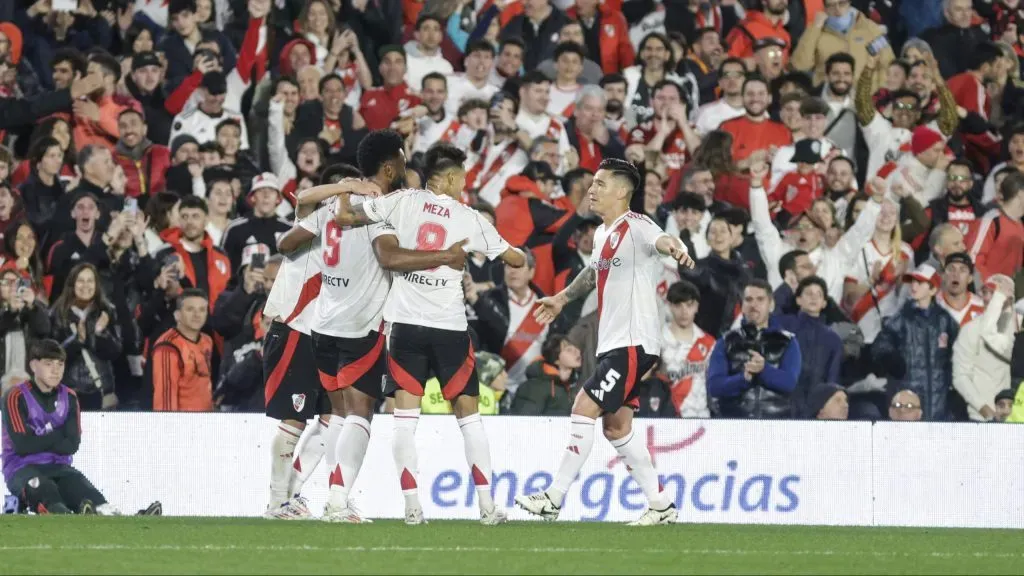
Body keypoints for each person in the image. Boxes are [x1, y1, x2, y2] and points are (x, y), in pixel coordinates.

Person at [327, 135, 527, 526]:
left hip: (405, 328)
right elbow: (517, 259)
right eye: (462, 179)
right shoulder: (469, 217)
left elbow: (344, 217)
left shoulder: (402, 201)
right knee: (469, 418)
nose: (464, 186)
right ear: (449, 180)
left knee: (405, 421)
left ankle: (412, 508)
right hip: (450, 329)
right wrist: (486, 246)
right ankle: (487, 507)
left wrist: (350, 189)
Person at [278, 150, 466, 523]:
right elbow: (389, 257)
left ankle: (289, 494)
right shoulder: (382, 207)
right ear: (389, 168)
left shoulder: (334, 204)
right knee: (360, 414)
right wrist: (443, 257)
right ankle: (337, 500)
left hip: (322, 324)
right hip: (362, 326)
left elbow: (286, 243)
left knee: (334, 415)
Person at [514, 158, 695, 526]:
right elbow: (592, 270)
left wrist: (675, 247)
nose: (591, 190)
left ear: (622, 191)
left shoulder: (638, 225)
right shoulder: (602, 234)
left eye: (599, 184)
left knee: (583, 406)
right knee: (617, 428)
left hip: (634, 342)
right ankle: (660, 506)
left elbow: (662, 239)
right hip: (615, 344)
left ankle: (553, 498)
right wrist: (563, 297)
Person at [2, 340, 137, 515]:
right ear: (34, 366)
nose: (55, 370)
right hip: (21, 468)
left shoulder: (69, 397)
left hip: (59, 467)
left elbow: (72, 445)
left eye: (60, 364)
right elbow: (22, 446)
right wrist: (58, 435)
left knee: (93, 499)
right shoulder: (15, 396)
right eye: (48, 364)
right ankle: (60, 513)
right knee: (49, 495)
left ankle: (120, 519)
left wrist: (38, 440)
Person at [871, 264, 959, 421]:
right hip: (907, 398)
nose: (914, 286)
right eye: (912, 281)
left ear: (933, 289)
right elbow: (881, 343)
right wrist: (890, 359)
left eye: (920, 282)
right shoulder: (901, 318)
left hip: (939, 399)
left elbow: (959, 352)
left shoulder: (945, 321)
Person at [706, 279, 803, 419]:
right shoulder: (725, 341)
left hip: (775, 425)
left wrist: (763, 370)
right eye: (749, 300)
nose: (754, 305)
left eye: (760, 299)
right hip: (734, 425)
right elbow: (714, 387)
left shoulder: (788, 341)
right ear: (742, 306)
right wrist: (743, 378)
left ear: (771, 305)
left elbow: (789, 383)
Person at [148, 289, 213, 412]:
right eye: (190, 309)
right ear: (177, 315)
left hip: (206, 421)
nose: (197, 315)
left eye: (202, 310)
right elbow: (164, 401)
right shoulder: (168, 346)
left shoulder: (207, 340)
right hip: (182, 425)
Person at [659, 280, 716, 418]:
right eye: (678, 305)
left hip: (702, 419)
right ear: (669, 306)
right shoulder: (657, 341)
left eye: (689, 305)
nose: (684, 311)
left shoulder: (709, 343)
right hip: (667, 419)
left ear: (697, 306)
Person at [509, 334, 583, 415]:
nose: (576, 351)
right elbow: (524, 422)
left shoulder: (573, 386)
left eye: (575, 347)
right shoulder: (535, 387)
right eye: (569, 350)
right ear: (556, 359)